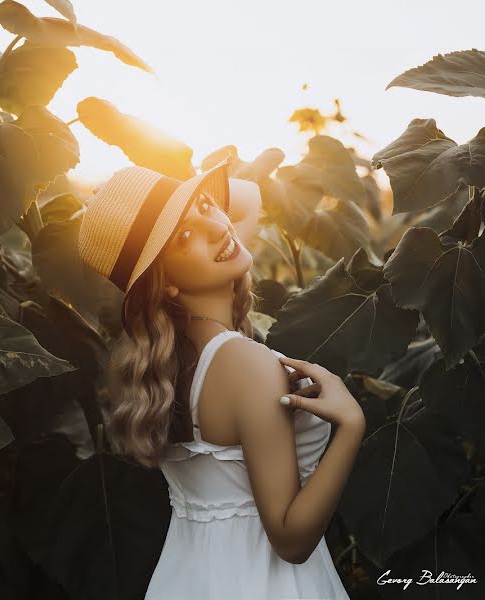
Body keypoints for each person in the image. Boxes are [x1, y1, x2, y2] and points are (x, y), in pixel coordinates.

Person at [76, 159, 364, 599]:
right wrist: (351, 425)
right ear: (165, 283)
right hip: (264, 584)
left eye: (207, 205)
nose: (215, 228)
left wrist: (194, 213)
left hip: (188, 578)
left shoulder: (167, 361)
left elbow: (241, 203)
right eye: (183, 237)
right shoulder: (245, 364)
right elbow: (290, 539)